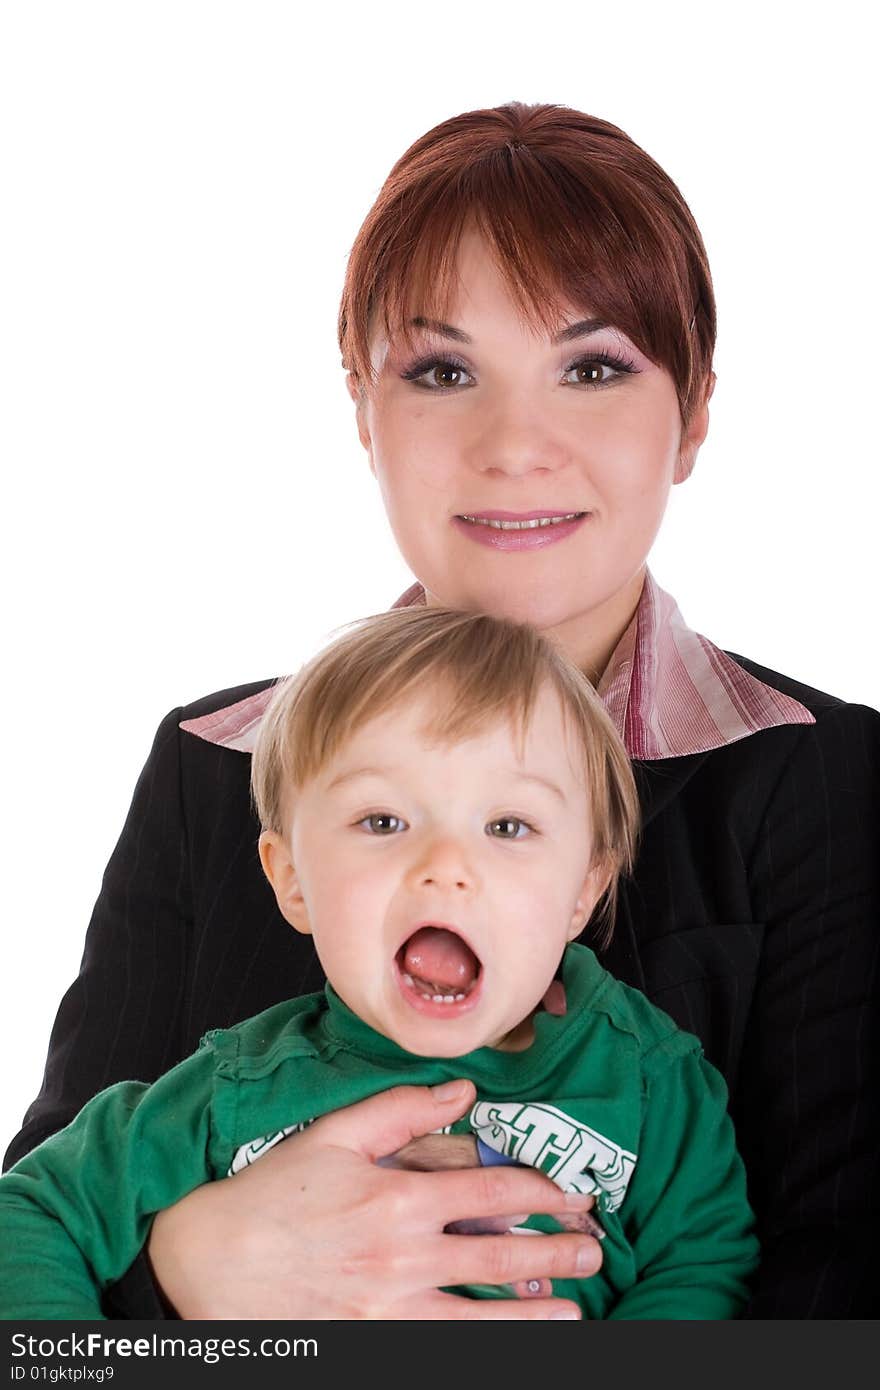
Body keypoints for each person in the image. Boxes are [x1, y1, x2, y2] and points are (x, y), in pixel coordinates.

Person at [3, 101, 877, 1321]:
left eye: (591, 366)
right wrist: (188, 1277)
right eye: (442, 370)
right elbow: (46, 1248)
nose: (515, 443)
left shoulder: (833, 785)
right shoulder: (213, 767)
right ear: (364, 406)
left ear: (694, 415)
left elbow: (845, 1286)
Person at [0, 607, 760, 1320]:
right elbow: (31, 1214)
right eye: (383, 820)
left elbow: (700, 1265)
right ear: (292, 878)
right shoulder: (230, 1088)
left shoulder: (649, 1076)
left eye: (508, 824)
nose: (446, 865)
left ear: (582, 891)